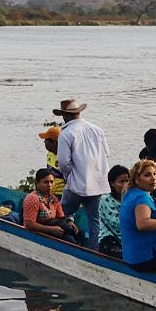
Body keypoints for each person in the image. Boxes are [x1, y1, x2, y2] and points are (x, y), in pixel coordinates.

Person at [55, 98, 110, 244]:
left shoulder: (66, 134)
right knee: (94, 222)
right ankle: (94, 251)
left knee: (60, 215)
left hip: (76, 185)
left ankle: (60, 242)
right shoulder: (97, 129)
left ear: (64, 115)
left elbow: (63, 162)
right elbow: (106, 154)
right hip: (97, 184)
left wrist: (69, 176)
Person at [22, 167, 85, 245]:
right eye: (46, 182)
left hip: (54, 228)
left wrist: (69, 222)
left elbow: (61, 217)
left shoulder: (54, 199)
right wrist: (50, 229)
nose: (49, 185)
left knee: (79, 233)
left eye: (51, 182)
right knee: (69, 240)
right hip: (41, 231)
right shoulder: (33, 199)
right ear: (37, 183)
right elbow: (29, 225)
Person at [96, 164, 130, 258]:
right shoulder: (106, 200)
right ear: (112, 183)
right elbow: (117, 225)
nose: (125, 185)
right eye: (121, 182)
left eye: (127, 181)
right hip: (110, 239)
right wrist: (124, 199)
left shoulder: (132, 199)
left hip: (127, 239)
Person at [36, 126, 66, 197]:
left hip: (62, 195)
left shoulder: (65, 157)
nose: (44, 142)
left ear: (54, 143)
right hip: (50, 192)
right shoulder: (50, 154)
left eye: (46, 140)